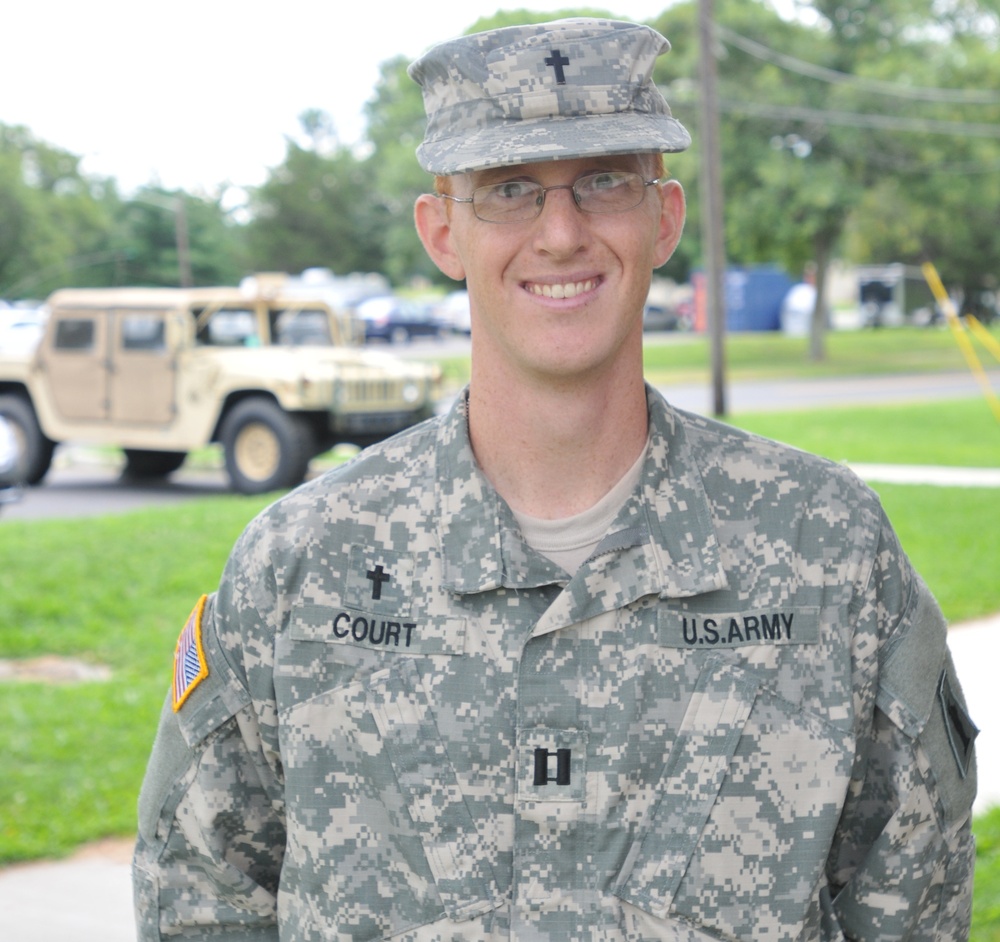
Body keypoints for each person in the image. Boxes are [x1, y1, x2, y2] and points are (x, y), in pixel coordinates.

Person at [133, 18, 978, 941]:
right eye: (509, 191)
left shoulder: (828, 549)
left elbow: (914, 900)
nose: (562, 233)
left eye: (605, 181)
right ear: (442, 230)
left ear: (664, 217)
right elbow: (202, 895)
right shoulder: (301, 565)